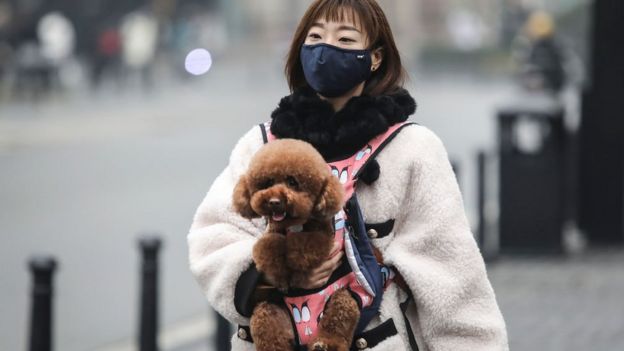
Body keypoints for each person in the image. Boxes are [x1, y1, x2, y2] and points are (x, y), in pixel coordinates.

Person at [187, 0, 509, 350]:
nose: (326, 50)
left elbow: (452, 279)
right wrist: (269, 276)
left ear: (375, 57)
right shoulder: (262, 143)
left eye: (344, 40)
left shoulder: (412, 148)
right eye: (315, 36)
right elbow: (213, 235)